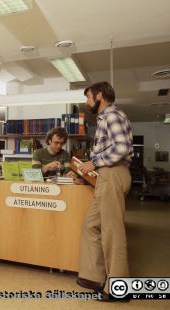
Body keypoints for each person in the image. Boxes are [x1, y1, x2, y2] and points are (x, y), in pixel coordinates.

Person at [76, 82, 133, 301]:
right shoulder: (104, 119)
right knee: (91, 225)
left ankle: (119, 290)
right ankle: (95, 277)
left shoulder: (112, 115)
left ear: (100, 95)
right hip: (106, 176)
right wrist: (87, 170)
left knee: (112, 232)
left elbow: (122, 148)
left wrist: (94, 162)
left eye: (89, 97)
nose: (87, 102)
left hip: (114, 174)